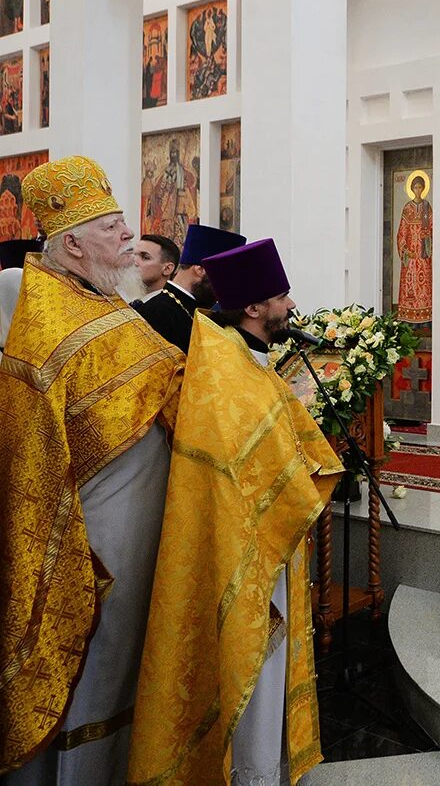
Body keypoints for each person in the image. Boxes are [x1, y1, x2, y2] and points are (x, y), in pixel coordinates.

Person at [128, 238, 342, 786]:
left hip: (274, 539)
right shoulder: (225, 369)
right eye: (282, 297)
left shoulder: (253, 363)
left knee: (272, 666)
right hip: (247, 543)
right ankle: (249, 772)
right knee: (251, 662)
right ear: (253, 308)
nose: (291, 307)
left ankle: (267, 764)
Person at [0, 156, 184, 783]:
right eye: (113, 227)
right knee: (88, 661)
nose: (131, 235)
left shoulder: (98, 300)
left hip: (130, 526)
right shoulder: (40, 307)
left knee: (118, 667)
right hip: (85, 532)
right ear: (73, 243)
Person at [132, 224, 245, 353]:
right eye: (225, 276)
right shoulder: (154, 312)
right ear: (200, 270)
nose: (228, 285)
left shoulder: (203, 312)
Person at [395, 174, 434, 324]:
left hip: (424, 255)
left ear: (423, 189)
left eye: (420, 187)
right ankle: (408, 319)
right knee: (410, 285)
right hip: (411, 255)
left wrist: (428, 246)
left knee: (424, 286)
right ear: (412, 189)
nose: (418, 190)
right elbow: (401, 233)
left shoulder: (426, 207)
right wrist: (405, 250)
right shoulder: (407, 208)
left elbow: (432, 228)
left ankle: (426, 319)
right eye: (415, 187)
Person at [131, 233, 179, 298]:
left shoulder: (167, 306)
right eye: (133, 256)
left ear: (167, 269)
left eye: (145, 257)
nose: (134, 262)